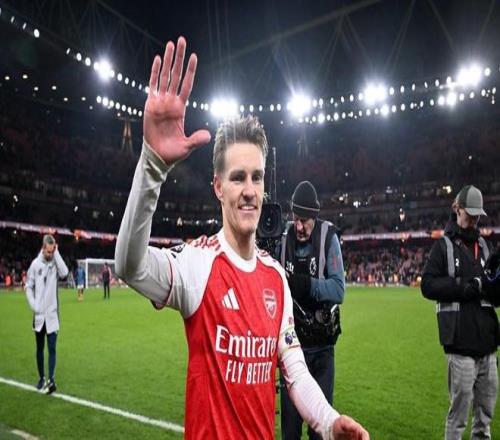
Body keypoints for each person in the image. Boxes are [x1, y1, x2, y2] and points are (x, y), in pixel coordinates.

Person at [115, 37, 369, 439]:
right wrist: (152, 166)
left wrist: (328, 420)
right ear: (218, 187)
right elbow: (129, 266)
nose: (250, 190)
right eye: (238, 178)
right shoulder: (198, 264)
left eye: (257, 177)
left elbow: (294, 369)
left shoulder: (276, 277)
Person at [421, 185, 500, 440]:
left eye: (478, 215)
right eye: (470, 213)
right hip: (459, 345)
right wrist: (464, 287)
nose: (474, 219)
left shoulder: (485, 247)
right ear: (457, 208)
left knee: (484, 423)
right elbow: (427, 285)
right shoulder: (442, 247)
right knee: (458, 420)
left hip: (488, 346)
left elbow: (494, 296)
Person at [279, 180, 345, 440]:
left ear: (315, 217)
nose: (299, 226)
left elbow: (338, 290)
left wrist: (304, 285)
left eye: (304, 220)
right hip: (291, 349)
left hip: (321, 350)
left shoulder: (329, 238)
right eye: (295, 219)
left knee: (321, 432)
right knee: (290, 432)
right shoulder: (282, 238)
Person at [25, 234, 69, 394]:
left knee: (52, 348)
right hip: (39, 316)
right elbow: (28, 286)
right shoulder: (35, 265)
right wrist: (34, 305)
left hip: (52, 316)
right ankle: (41, 378)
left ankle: (51, 380)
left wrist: (57, 253)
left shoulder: (55, 263)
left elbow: (64, 273)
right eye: (49, 251)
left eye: (52, 251)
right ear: (43, 248)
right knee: (39, 349)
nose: (50, 254)